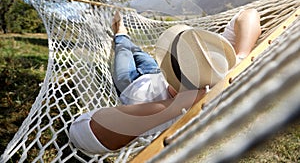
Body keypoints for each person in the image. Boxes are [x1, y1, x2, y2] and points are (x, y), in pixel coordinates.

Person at [69, 9, 261, 154]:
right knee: (137, 51)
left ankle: (120, 32)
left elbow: (82, 131)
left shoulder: (186, 108)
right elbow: (248, 14)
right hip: (155, 70)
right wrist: (240, 57)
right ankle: (126, 36)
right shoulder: (217, 66)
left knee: (123, 48)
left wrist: (183, 102)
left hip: (130, 83)